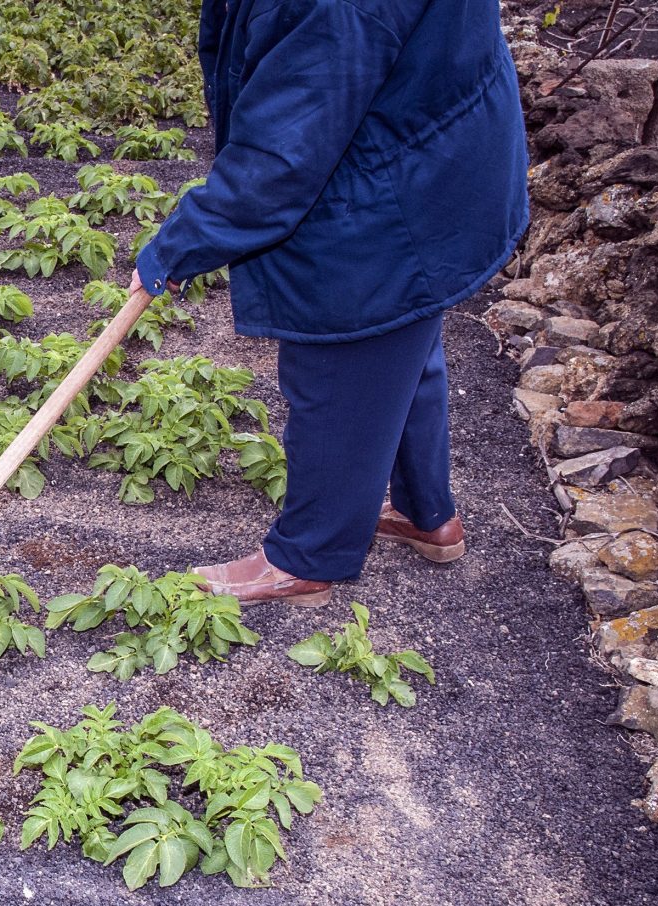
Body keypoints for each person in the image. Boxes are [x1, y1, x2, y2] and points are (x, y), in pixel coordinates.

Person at [136, 0, 528, 607]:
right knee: (400, 331)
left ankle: (309, 556)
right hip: (436, 143)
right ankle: (428, 514)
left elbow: (282, 150)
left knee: (340, 341)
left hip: (398, 173)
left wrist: (180, 244)